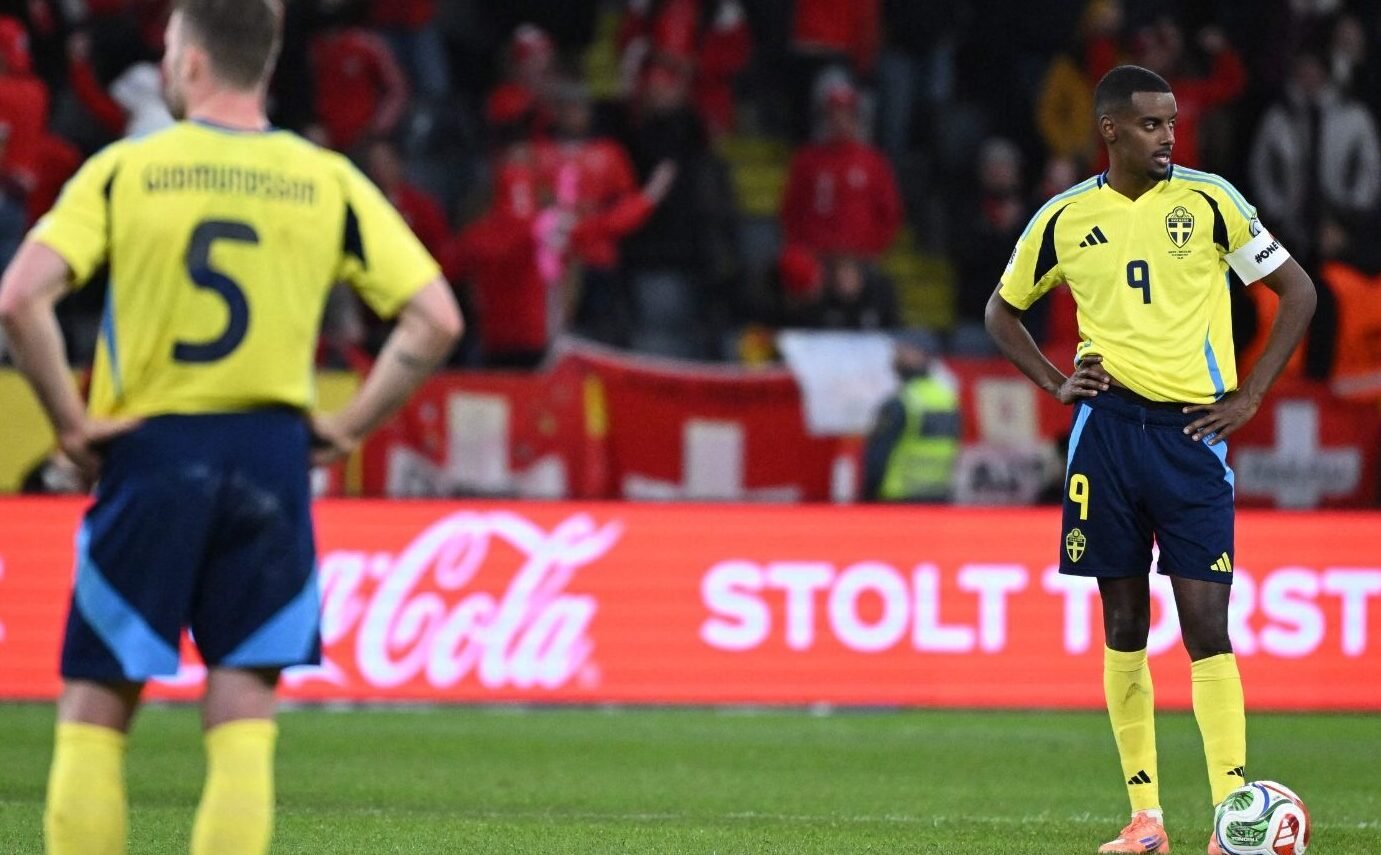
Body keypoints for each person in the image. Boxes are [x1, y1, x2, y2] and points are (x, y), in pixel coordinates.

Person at [0, 2, 463, 854]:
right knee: (244, 708)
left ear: (194, 61)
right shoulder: (324, 177)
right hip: (269, 455)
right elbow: (433, 318)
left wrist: (72, 423)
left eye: (172, 49)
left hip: (152, 449)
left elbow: (20, 296)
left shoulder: (128, 170)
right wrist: (350, 424)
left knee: (97, 704)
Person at [984, 65, 1316, 855]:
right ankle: (1145, 820)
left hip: (1190, 437)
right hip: (1104, 435)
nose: (1168, 135)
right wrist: (1056, 381)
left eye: (1171, 122)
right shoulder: (1064, 219)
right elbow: (1002, 310)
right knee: (1123, 624)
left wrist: (1250, 395)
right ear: (1110, 130)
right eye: (1151, 124)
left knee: (1206, 625)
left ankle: (1232, 811)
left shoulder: (1210, 202)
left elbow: (1297, 291)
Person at [861, 329, 959, 502]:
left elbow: (878, 457)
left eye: (901, 350)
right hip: (938, 496)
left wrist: (868, 496)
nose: (895, 356)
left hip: (899, 498)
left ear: (921, 355)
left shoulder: (902, 402)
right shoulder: (947, 399)